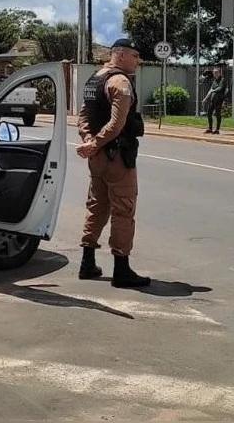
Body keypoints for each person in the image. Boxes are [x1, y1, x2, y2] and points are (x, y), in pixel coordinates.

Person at [76, 39, 150, 288]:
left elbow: (83, 116)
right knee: (123, 209)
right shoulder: (120, 82)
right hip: (117, 156)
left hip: (97, 157)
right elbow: (117, 124)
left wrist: (88, 141)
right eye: (135, 56)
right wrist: (95, 143)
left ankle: (87, 263)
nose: (137, 61)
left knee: (96, 205)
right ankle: (122, 269)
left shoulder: (94, 79)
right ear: (119, 54)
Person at [202, 64, 229, 134]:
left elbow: (220, 88)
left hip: (219, 100)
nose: (215, 74)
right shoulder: (214, 80)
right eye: (214, 72)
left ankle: (217, 130)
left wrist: (213, 91)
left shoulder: (222, 80)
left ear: (220, 73)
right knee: (209, 113)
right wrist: (205, 99)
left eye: (216, 72)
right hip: (212, 100)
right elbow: (210, 90)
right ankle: (210, 129)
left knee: (217, 114)